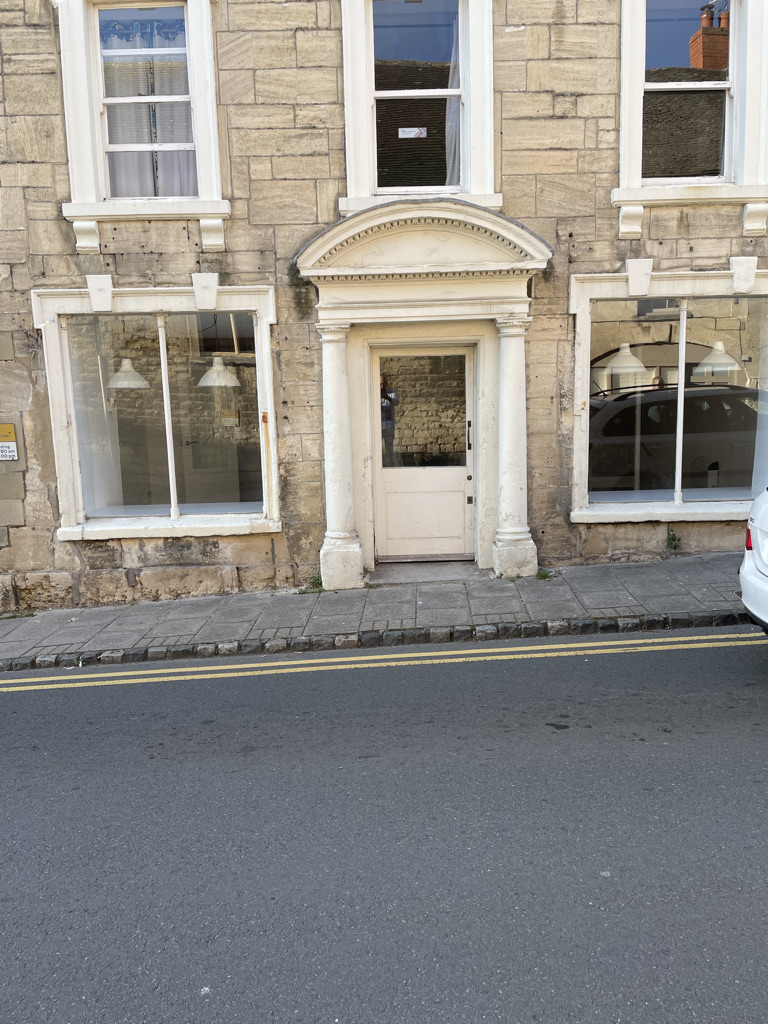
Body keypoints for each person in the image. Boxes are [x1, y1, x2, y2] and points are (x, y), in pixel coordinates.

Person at [380, 374, 399, 465]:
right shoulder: (372, 393)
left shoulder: (391, 392)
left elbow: (396, 402)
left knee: (389, 448)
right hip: (377, 426)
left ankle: (390, 465)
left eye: (382, 384)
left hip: (389, 425)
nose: (381, 386)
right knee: (377, 448)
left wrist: (387, 397)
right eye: (379, 384)